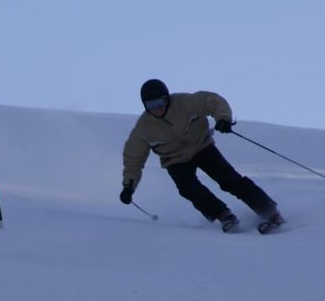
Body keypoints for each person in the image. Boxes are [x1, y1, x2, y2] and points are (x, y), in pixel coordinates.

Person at [120, 78, 283, 232]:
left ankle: (270, 212)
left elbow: (212, 101)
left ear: (167, 98)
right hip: (174, 159)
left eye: (161, 102)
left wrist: (223, 118)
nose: (157, 108)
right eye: (151, 105)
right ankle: (224, 216)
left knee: (229, 180)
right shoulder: (143, 128)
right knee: (187, 188)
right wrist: (129, 186)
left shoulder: (184, 102)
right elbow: (133, 159)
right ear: (145, 105)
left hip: (202, 146)